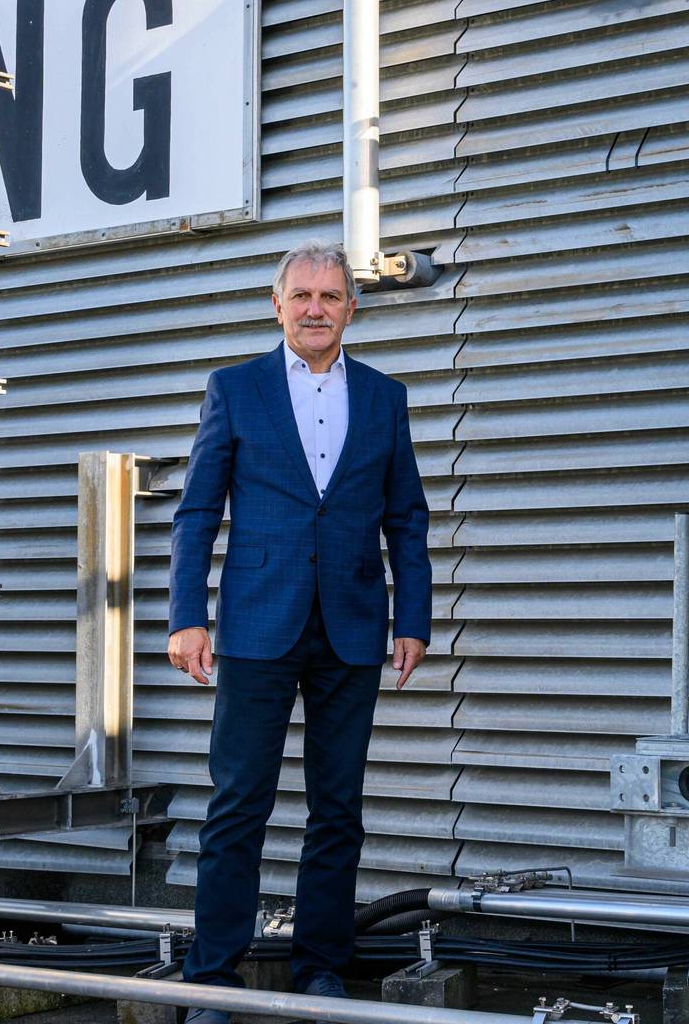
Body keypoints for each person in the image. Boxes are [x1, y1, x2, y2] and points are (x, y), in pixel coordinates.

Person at [166, 238, 432, 1022]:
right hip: (255, 624)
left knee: (337, 807)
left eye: (331, 296)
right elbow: (196, 511)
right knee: (238, 802)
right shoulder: (237, 388)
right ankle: (213, 975)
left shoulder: (386, 397)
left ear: (352, 307)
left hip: (353, 627)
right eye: (302, 295)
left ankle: (320, 968)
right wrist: (187, 615)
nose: (316, 308)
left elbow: (406, 520)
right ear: (277, 305)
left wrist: (412, 617)